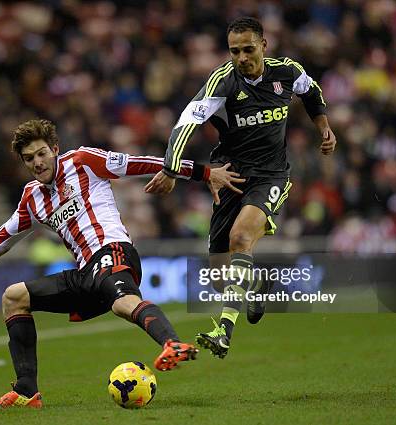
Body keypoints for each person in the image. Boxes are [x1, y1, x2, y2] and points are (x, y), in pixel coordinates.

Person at [0, 119, 238, 408]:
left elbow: (140, 163)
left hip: (113, 251)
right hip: (86, 272)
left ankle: (172, 343)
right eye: (28, 158)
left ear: (54, 148)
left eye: (41, 153)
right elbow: (3, 237)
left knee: (120, 303)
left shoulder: (83, 161)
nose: (37, 163)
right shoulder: (31, 198)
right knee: (13, 297)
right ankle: (26, 391)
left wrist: (203, 173)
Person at [145, 17, 337, 358]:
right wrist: (172, 169)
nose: (242, 57)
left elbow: (312, 93)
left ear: (264, 45)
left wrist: (324, 127)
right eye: (235, 51)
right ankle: (258, 284)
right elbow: (185, 124)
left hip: (271, 177)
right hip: (231, 178)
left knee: (240, 239)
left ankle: (224, 331)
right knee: (220, 277)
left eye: (249, 49)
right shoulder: (222, 81)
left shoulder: (288, 73)